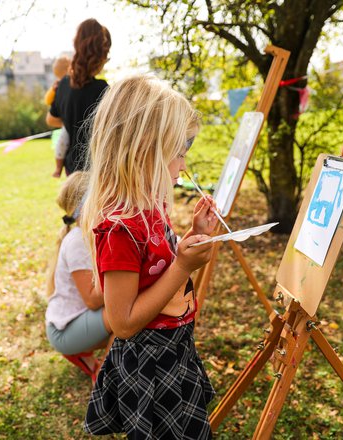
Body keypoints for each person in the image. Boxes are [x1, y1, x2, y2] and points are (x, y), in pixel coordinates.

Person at [81, 76, 219, 439]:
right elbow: (122, 323)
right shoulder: (120, 229)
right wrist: (183, 266)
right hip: (151, 368)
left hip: (174, 354)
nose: (184, 166)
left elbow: (158, 267)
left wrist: (192, 236)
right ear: (146, 149)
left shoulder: (153, 208)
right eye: (180, 151)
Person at [45, 171, 112, 381]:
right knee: (125, 314)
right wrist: (124, 276)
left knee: (126, 307)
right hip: (64, 330)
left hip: (77, 319)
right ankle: (105, 381)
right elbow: (92, 300)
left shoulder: (92, 234)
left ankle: (94, 365)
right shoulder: (77, 241)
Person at [46, 19, 111, 175]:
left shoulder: (63, 85)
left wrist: (72, 118)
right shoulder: (102, 90)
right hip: (96, 172)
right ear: (100, 57)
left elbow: (51, 119)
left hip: (72, 172)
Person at [44, 56, 72, 178]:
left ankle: (58, 167)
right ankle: (58, 168)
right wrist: (54, 90)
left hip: (67, 120)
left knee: (62, 142)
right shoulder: (60, 85)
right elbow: (47, 100)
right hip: (65, 121)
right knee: (61, 143)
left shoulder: (71, 82)